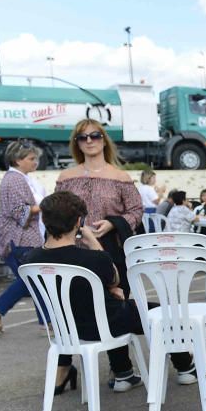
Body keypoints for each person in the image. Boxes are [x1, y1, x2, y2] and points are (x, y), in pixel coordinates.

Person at [24, 191, 196, 394]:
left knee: (108, 305)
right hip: (106, 323)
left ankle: (124, 373)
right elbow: (114, 279)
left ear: (45, 219)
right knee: (160, 313)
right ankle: (185, 367)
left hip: (67, 331)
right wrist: (94, 243)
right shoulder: (93, 259)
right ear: (79, 221)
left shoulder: (30, 260)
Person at [55, 119, 143, 293]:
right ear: (77, 144)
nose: (89, 141)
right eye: (82, 137)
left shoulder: (121, 177)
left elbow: (136, 211)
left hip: (111, 252)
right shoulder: (66, 177)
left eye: (95, 136)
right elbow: (55, 213)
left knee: (115, 307)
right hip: (74, 252)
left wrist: (112, 224)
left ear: (103, 140)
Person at [0, 141, 45, 333]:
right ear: (18, 160)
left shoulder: (18, 178)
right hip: (20, 238)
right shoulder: (15, 180)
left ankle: (46, 321)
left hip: (22, 238)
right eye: (31, 158)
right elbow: (20, 212)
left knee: (34, 280)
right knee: (33, 279)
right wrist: (48, 205)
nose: (35, 162)